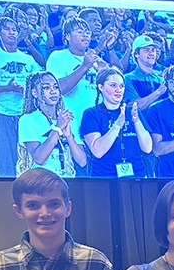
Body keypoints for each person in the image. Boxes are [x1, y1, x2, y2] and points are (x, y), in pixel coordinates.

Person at [0, 16, 41, 177]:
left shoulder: (28, 59)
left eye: (14, 29)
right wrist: (7, 88)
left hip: (26, 117)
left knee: (29, 165)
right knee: (5, 166)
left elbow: (39, 86)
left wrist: (24, 90)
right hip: (3, 117)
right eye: (7, 29)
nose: (11, 32)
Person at [80, 68, 153, 178]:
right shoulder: (91, 114)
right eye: (113, 85)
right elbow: (98, 151)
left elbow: (147, 148)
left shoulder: (132, 111)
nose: (118, 90)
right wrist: (117, 125)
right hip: (104, 178)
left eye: (121, 86)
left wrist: (137, 122)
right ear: (101, 87)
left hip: (136, 175)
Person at [46, 17, 105, 148]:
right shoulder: (58, 57)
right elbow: (58, 89)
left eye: (87, 32)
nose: (85, 35)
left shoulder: (96, 60)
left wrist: (105, 73)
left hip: (98, 125)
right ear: (67, 36)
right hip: (73, 125)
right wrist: (84, 67)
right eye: (79, 31)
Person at [17, 71, 88, 176]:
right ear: (34, 93)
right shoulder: (27, 120)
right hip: (39, 180)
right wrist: (58, 128)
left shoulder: (69, 120)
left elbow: (82, 161)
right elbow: (39, 158)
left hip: (66, 180)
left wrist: (69, 136)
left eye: (55, 87)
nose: (53, 91)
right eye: (46, 88)